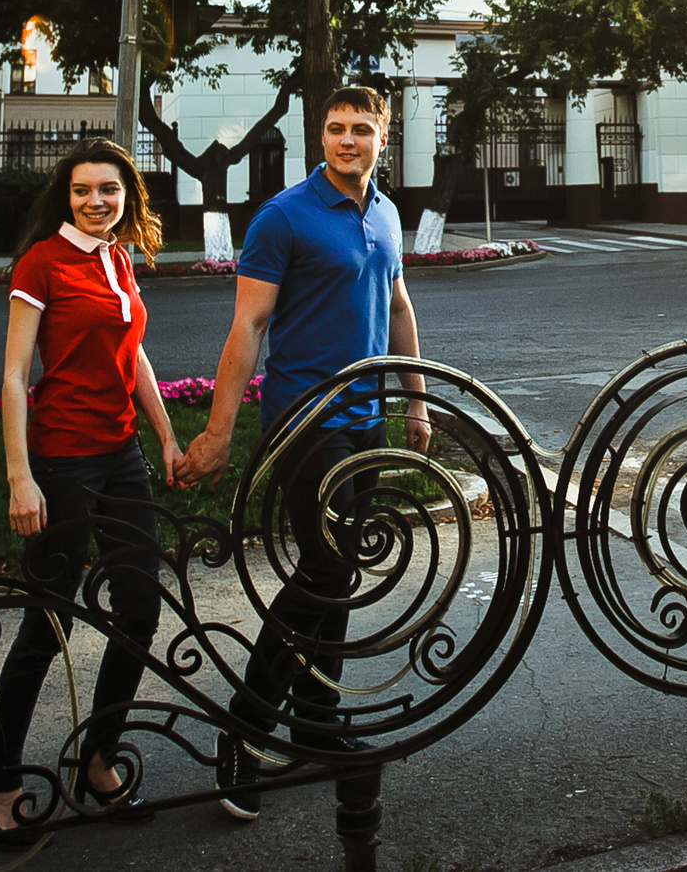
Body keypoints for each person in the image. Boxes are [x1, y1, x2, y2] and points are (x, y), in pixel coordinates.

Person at [177, 85, 429, 821]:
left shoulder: (384, 212)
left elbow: (400, 304)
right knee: (325, 566)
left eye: (361, 129)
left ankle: (314, 721)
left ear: (385, 137)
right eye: (334, 128)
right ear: (319, 136)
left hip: (365, 419)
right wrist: (220, 433)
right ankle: (244, 732)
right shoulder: (282, 217)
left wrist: (413, 400)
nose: (347, 140)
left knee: (343, 572)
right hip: (304, 419)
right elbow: (248, 327)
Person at [0, 138, 178, 842]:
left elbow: (135, 355)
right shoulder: (44, 262)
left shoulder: (117, 257)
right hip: (61, 460)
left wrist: (164, 435)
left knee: (140, 609)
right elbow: (12, 375)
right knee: (47, 624)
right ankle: (0, 783)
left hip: (120, 453)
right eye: (83, 190)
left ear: (128, 195)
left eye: (110, 190)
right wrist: (19, 475)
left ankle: (98, 757)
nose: (97, 201)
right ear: (65, 196)